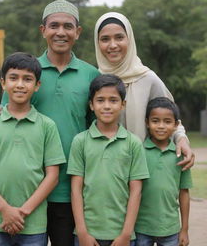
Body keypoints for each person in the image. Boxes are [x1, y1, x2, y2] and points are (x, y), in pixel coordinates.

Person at [0, 0, 100, 246]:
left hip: (68, 190)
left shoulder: (91, 75)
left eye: (68, 26)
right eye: (53, 25)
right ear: (42, 30)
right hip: (23, 194)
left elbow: (95, 129)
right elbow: (6, 112)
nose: (60, 32)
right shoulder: (27, 72)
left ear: (77, 32)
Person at [0, 52, 66, 246]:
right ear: (3, 83)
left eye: (28, 79)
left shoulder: (47, 126)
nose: (20, 84)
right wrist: (5, 209)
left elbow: (52, 176)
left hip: (33, 225)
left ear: (37, 85)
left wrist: (23, 212)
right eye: (14, 78)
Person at [94, 12, 194, 170]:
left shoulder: (148, 79)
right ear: (97, 42)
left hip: (145, 170)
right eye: (105, 39)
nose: (112, 45)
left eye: (119, 37)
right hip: (105, 172)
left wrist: (182, 139)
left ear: (130, 40)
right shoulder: (95, 80)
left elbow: (171, 118)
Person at [67, 74, 150, 246]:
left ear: (123, 104)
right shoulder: (80, 141)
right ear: (91, 105)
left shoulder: (133, 143)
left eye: (113, 100)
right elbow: (76, 190)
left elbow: (136, 192)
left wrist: (126, 234)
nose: (106, 106)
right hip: (87, 235)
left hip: (122, 236)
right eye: (100, 100)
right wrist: (82, 232)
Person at [135, 97, 192, 246]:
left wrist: (184, 229)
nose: (161, 126)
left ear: (176, 125)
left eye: (167, 121)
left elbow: (184, 193)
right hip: (141, 228)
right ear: (147, 122)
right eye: (155, 121)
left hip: (170, 229)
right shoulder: (138, 151)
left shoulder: (181, 156)